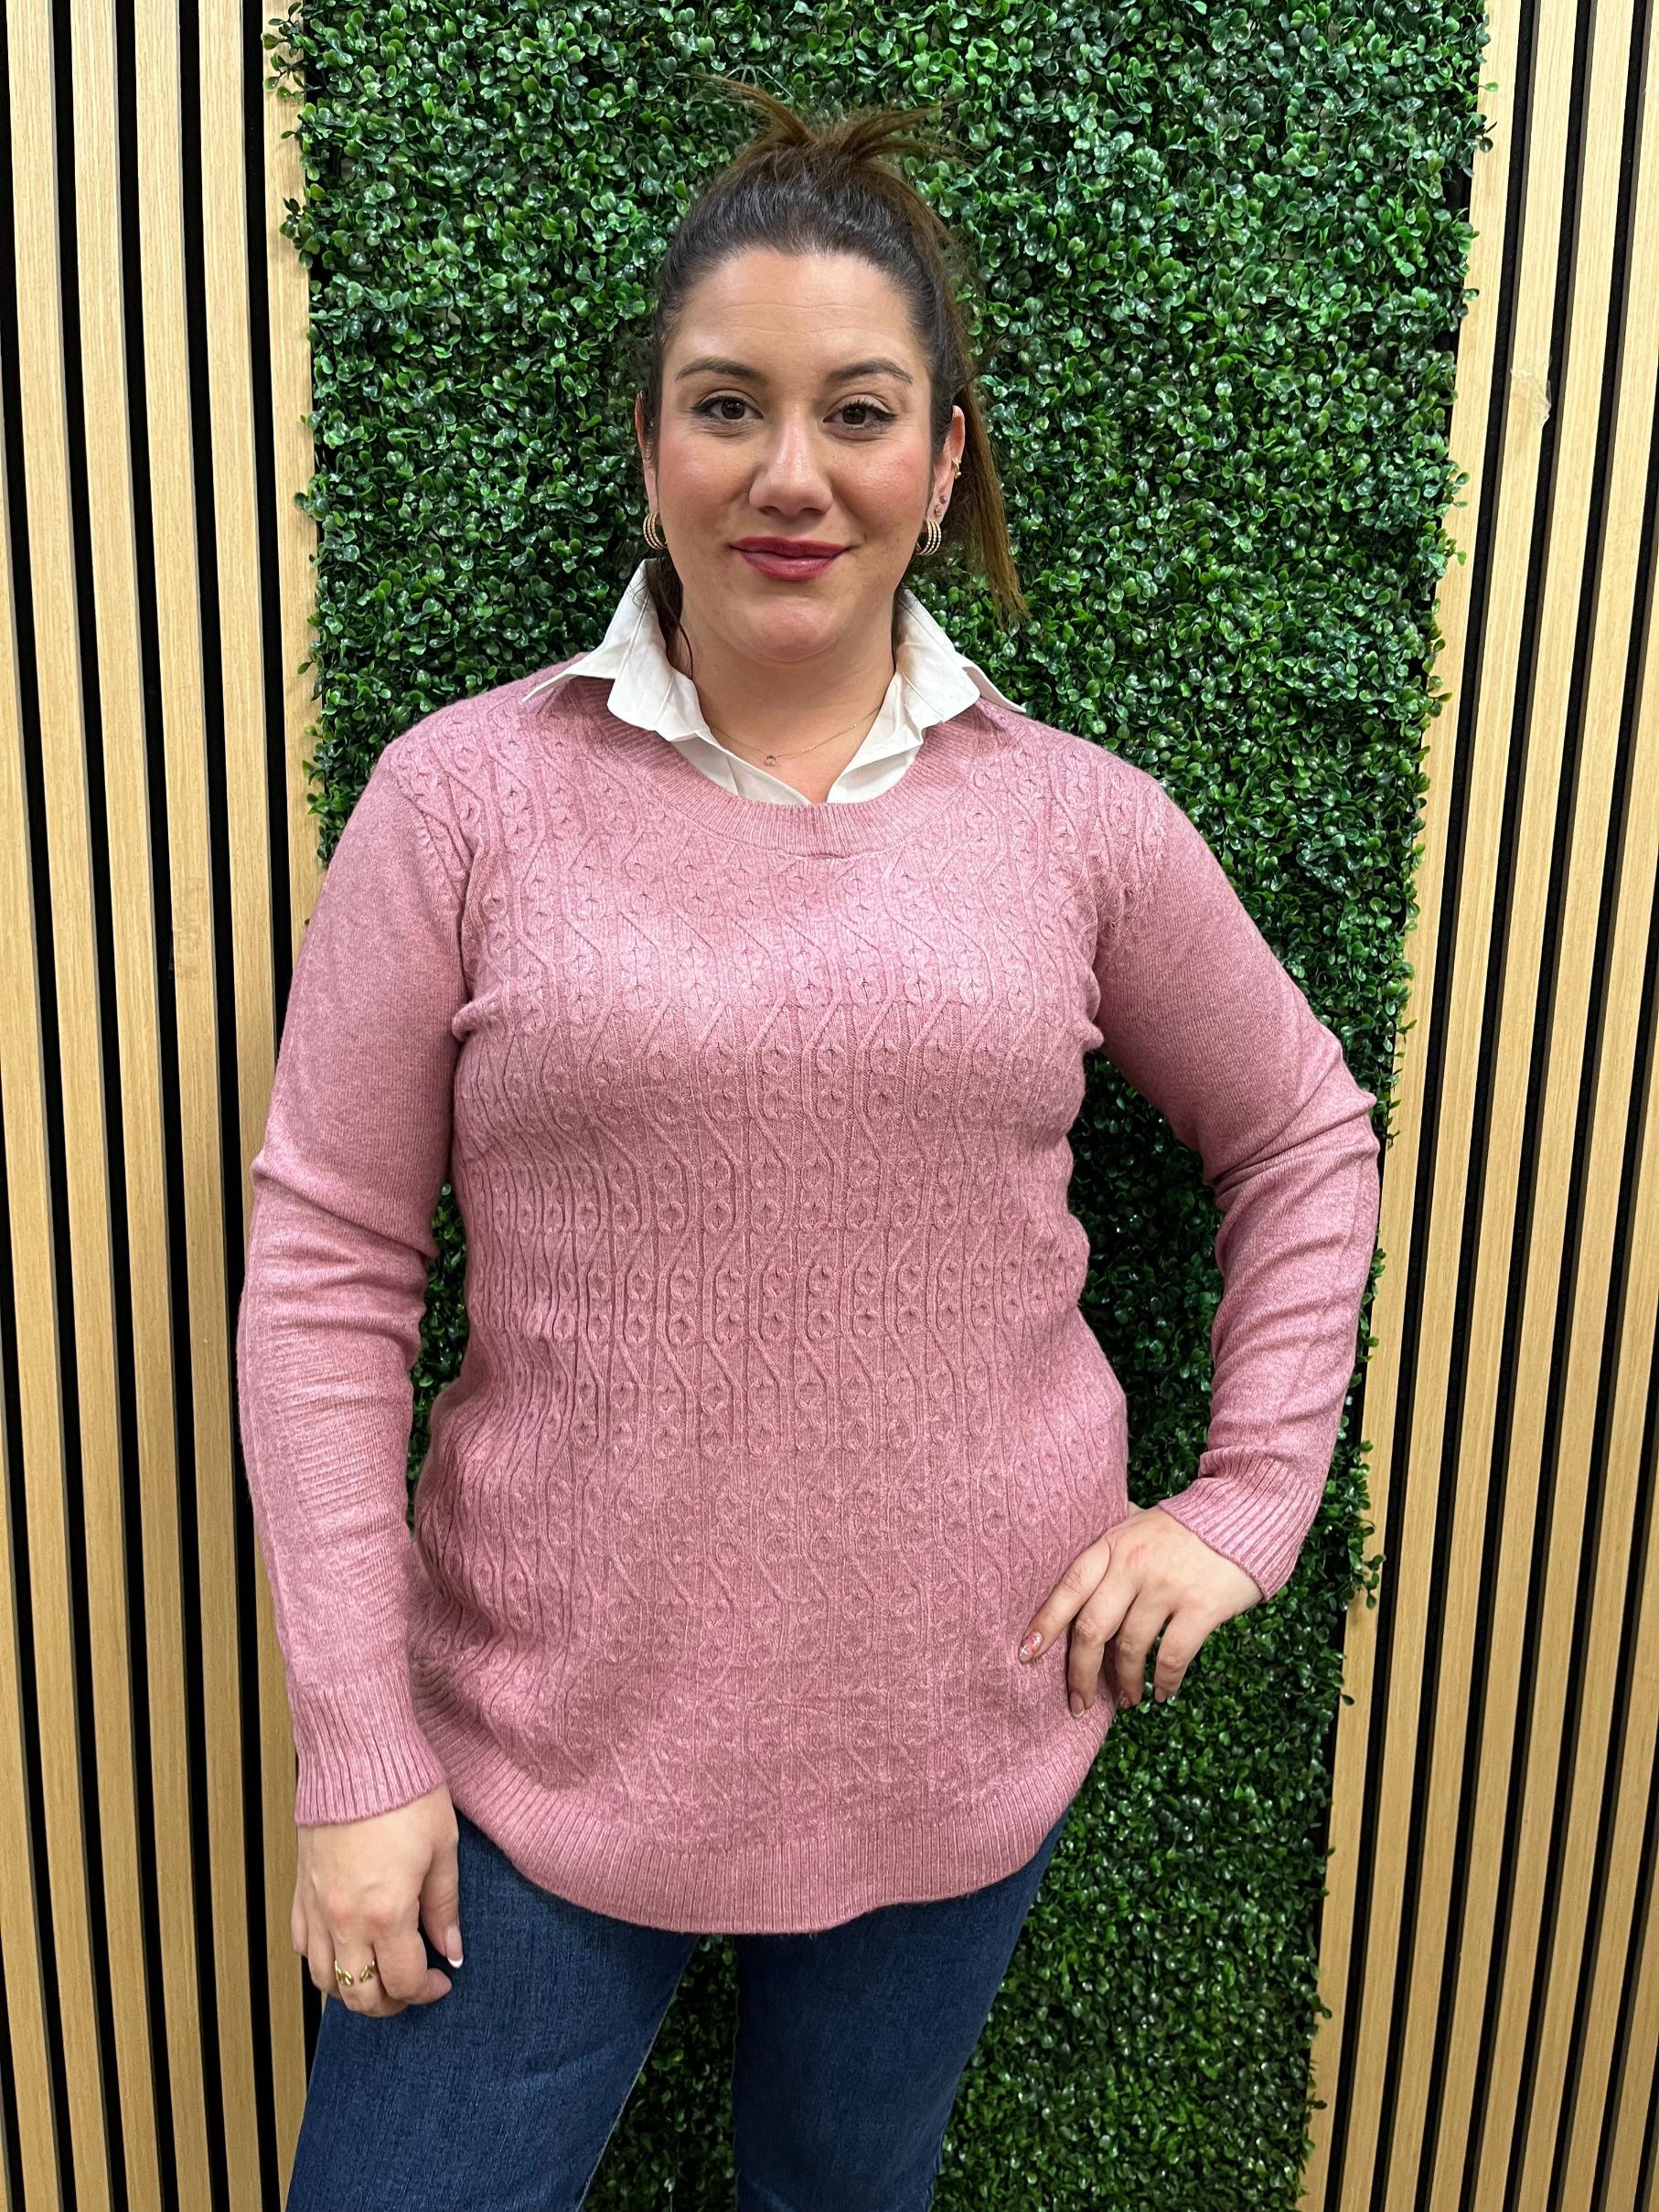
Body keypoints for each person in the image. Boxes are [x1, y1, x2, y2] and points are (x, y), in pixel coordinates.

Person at [237, 73, 1384, 2212]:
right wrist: (360, 1749)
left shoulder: (1078, 824)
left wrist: (1242, 1508)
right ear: (650, 445)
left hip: (963, 1731)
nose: (790, 473)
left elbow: (1307, 1132)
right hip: (523, 1760)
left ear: (940, 462)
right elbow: (324, 1278)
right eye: (725, 406)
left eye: (857, 413)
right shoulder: (462, 800)